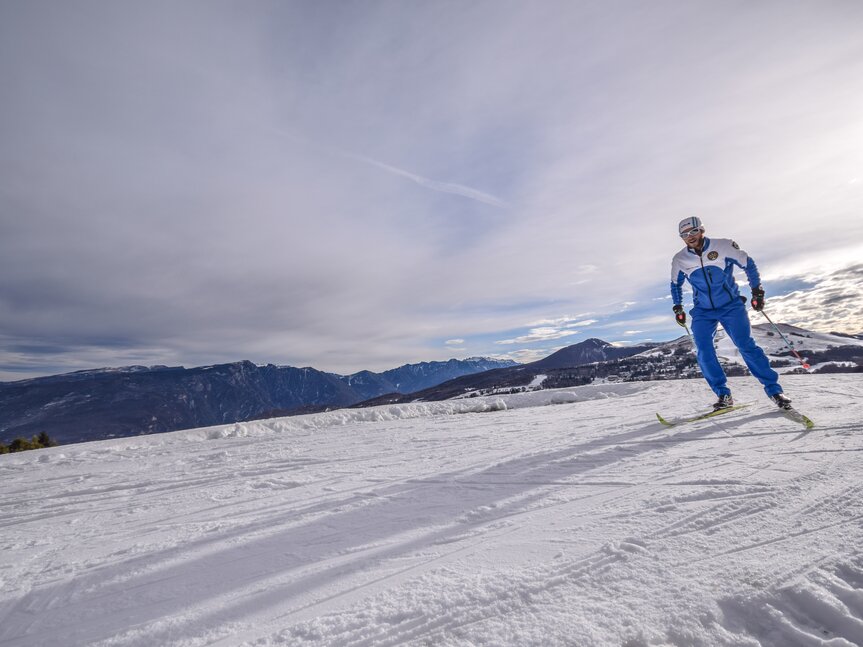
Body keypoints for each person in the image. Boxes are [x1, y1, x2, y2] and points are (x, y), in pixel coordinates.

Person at [670, 216, 792, 410]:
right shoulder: (680, 259)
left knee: (745, 345)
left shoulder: (724, 246)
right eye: (684, 235)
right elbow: (675, 284)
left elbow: (748, 264)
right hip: (703, 311)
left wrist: (757, 291)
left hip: (731, 306)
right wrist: (678, 307)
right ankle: (723, 395)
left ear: (701, 230)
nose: (689, 237)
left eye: (693, 232)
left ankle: (775, 391)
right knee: (703, 349)